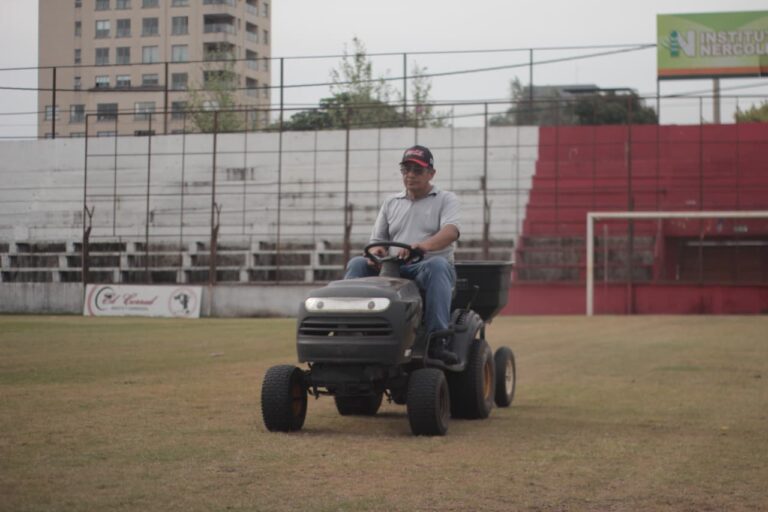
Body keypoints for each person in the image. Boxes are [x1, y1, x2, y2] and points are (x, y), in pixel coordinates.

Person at [344, 145, 461, 364]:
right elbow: (377, 240)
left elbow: (450, 232)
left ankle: (437, 341)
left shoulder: (445, 199)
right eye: (406, 169)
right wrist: (377, 250)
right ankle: (350, 330)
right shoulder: (391, 203)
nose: (410, 175)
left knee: (437, 266)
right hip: (394, 267)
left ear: (431, 173)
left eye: (417, 170)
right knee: (357, 264)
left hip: (425, 265)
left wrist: (422, 246)